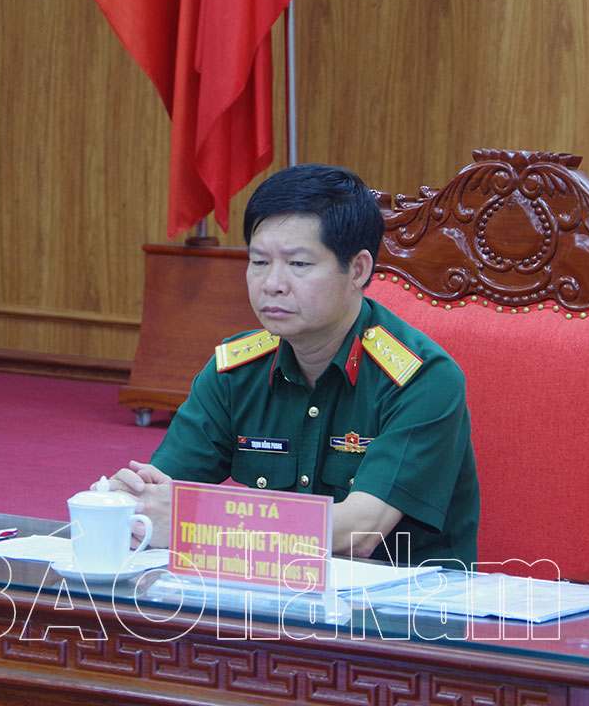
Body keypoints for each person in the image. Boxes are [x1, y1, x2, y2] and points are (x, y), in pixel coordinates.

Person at [110, 163, 479, 566]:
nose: (272, 283)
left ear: (357, 270)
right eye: (259, 261)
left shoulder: (422, 379)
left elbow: (360, 531)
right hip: (270, 595)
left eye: (298, 264)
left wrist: (197, 519)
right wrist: (133, 500)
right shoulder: (236, 371)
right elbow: (163, 493)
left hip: (403, 610)